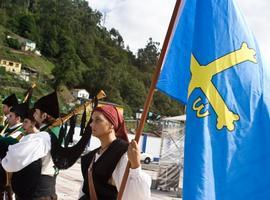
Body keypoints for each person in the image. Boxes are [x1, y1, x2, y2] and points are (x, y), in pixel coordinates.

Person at [79, 105, 151, 200]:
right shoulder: (90, 157)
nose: (91, 124)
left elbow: (135, 196)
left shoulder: (121, 153)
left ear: (111, 124)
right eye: (92, 120)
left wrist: (136, 167)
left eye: (98, 120)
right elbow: (84, 191)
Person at [2, 91, 60, 200]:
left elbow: (13, 160)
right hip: (42, 190)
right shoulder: (49, 133)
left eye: (36, 112)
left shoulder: (43, 136)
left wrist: (6, 159)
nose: (34, 115)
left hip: (37, 193)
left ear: (44, 115)